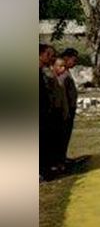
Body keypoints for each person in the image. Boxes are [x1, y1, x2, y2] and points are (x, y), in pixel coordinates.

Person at [39, 44, 64, 181]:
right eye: (48, 54)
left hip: (45, 114)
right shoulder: (42, 73)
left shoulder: (42, 72)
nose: (51, 58)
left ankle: (45, 168)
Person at [54, 48, 80, 168]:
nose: (75, 63)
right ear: (66, 58)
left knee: (66, 135)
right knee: (62, 135)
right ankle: (59, 160)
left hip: (69, 108)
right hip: (65, 110)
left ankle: (62, 158)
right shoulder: (62, 75)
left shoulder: (66, 73)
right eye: (74, 60)